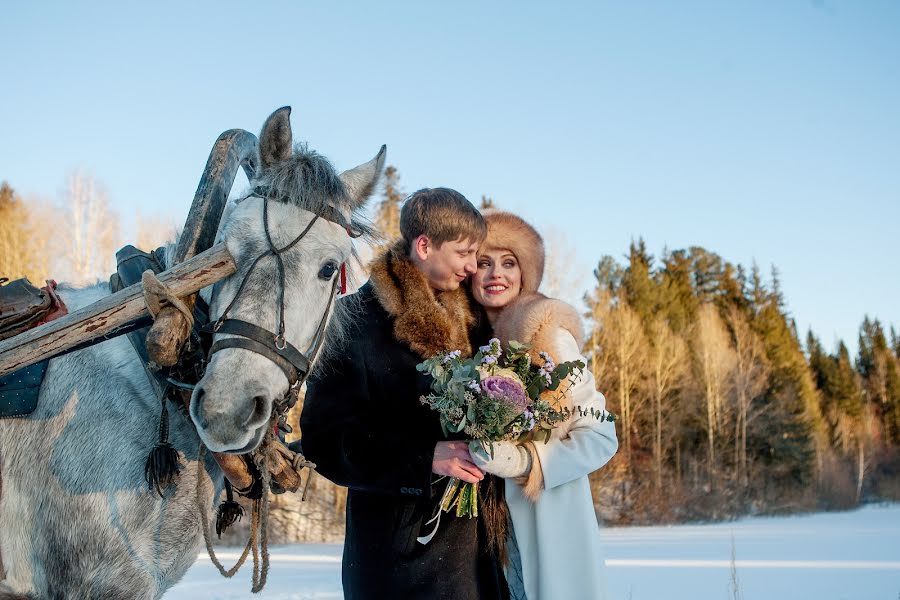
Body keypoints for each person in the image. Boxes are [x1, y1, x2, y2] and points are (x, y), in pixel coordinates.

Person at [300, 188, 509, 600]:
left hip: (479, 556)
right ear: (425, 245)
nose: (473, 267)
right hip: (397, 561)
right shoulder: (352, 321)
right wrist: (424, 456)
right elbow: (323, 442)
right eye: (464, 253)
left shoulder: (477, 322)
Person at [466, 210, 619, 600]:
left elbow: (601, 435)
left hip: (548, 527)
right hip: (481, 541)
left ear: (525, 274)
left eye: (508, 263)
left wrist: (526, 462)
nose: (495, 274)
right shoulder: (466, 347)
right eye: (484, 262)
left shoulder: (546, 335)